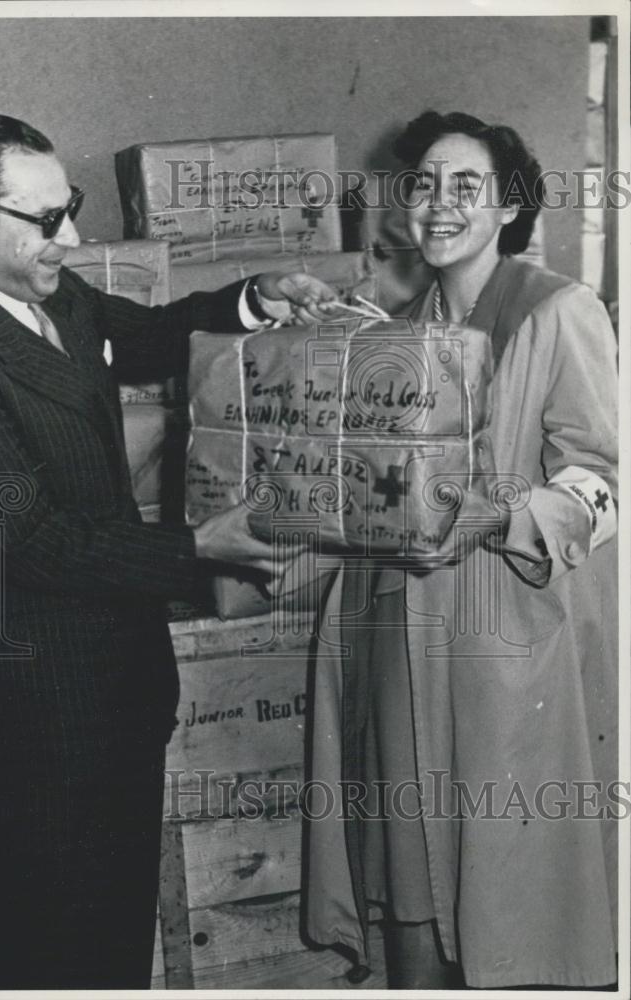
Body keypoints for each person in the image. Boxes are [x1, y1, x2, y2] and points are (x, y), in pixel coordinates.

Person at [0, 112, 339, 989]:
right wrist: (196, 546)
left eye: (73, 208)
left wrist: (254, 298)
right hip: (30, 704)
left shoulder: (48, 294)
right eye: (45, 220)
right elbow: (28, 541)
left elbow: (145, 334)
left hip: (116, 682)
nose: (70, 236)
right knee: (38, 932)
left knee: (107, 925)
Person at [304, 111, 618, 989]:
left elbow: (603, 483)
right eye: (424, 184)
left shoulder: (558, 309)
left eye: (465, 186)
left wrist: (505, 516)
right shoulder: (397, 325)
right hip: (401, 629)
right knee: (416, 868)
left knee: (510, 876)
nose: (437, 204)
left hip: (507, 636)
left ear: (510, 206)